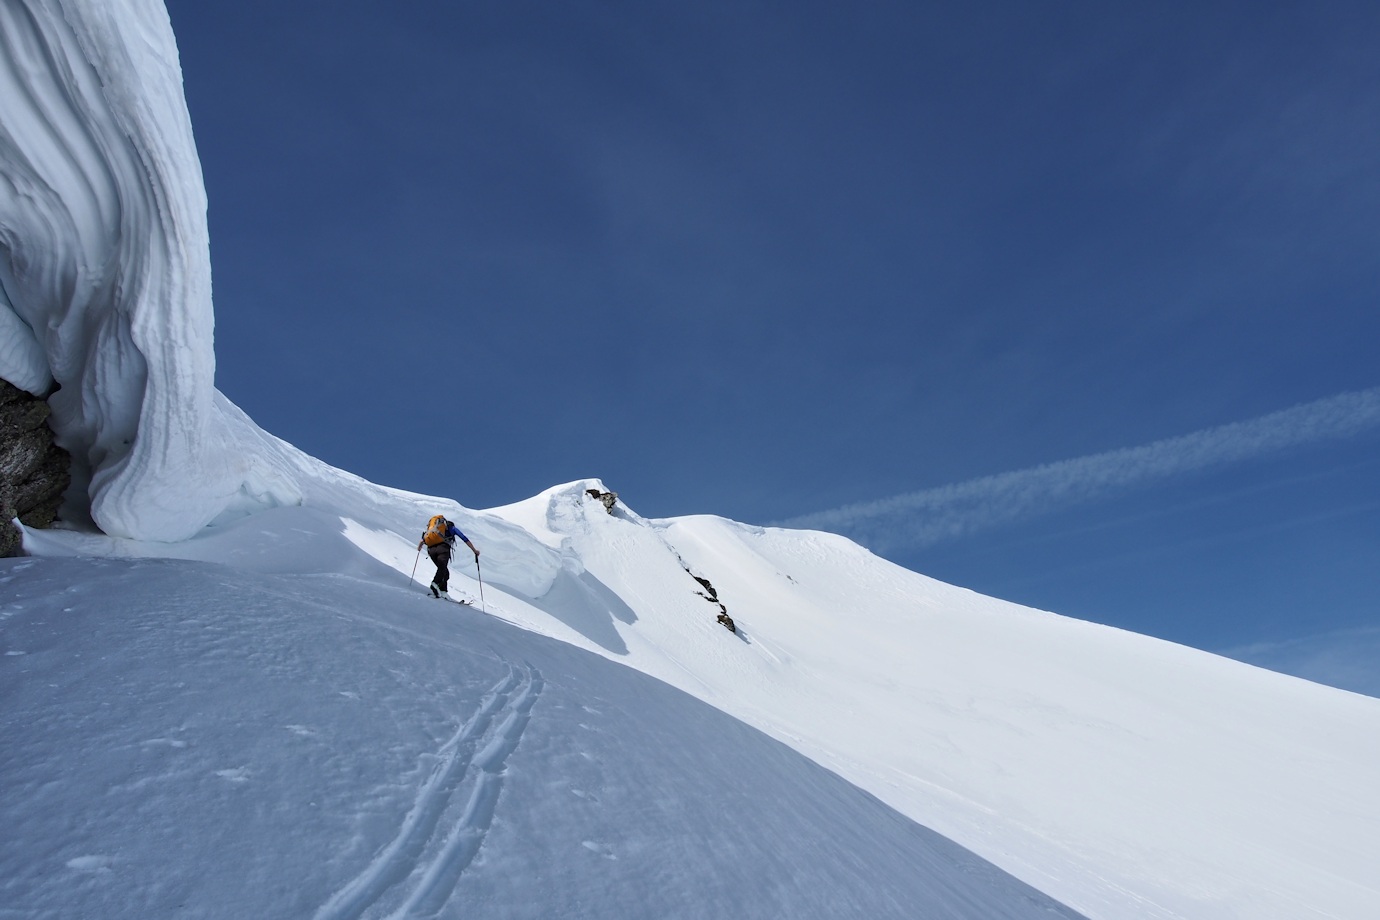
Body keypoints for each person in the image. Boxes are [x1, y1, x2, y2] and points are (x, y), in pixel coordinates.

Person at [418, 514, 479, 599]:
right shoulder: (452, 528)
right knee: (442, 569)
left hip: (431, 551)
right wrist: (474, 550)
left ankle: (443, 592)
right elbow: (464, 538)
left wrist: (419, 547)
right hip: (443, 549)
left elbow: (422, 540)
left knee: (445, 572)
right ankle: (435, 584)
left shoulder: (434, 531)